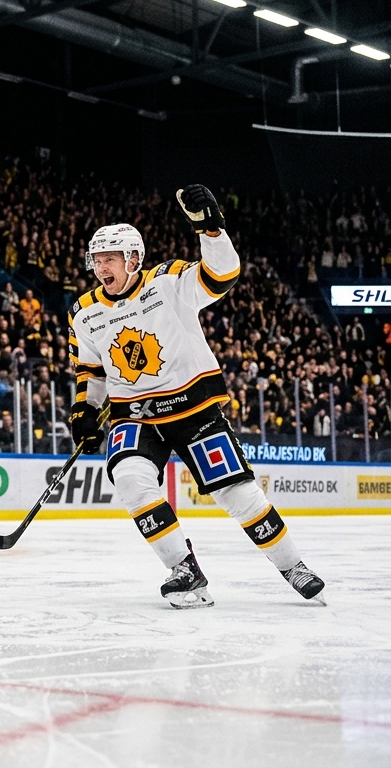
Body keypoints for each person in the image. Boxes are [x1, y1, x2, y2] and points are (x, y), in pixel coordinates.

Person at [68, 184, 325, 608]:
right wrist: (85, 410)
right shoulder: (84, 311)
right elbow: (91, 369)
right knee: (131, 480)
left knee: (238, 494)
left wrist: (210, 229)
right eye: (96, 260)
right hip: (133, 415)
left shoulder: (169, 281)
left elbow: (222, 276)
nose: (100, 267)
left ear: (133, 258)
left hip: (193, 409)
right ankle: (184, 570)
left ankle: (292, 565)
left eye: (109, 258)